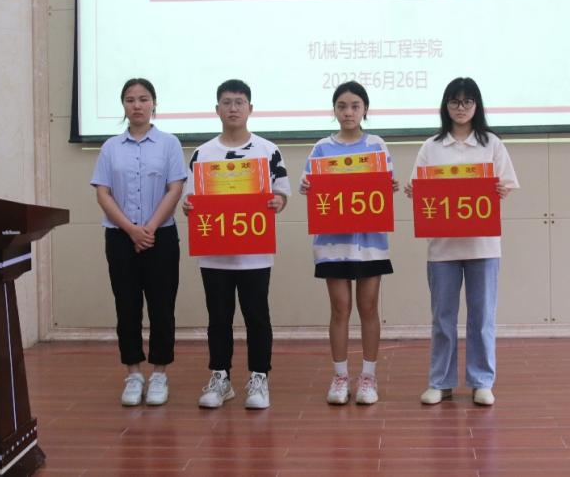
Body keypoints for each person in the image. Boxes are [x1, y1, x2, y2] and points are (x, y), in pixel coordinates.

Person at [405, 77, 519, 406]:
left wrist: (501, 190)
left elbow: (506, 184)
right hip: (442, 248)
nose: (461, 108)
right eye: (455, 101)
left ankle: (482, 381)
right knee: (443, 318)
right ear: (446, 106)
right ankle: (440, 381)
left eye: (467, 101)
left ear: (476, 106)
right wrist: (415, 191)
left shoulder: (491, 144)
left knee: (482, 317)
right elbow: (417, 188)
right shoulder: (431, 146)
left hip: (483, 246)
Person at [182, 79, 290, 410]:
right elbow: (190, 197)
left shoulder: (268, 150)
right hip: (214, 255)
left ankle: (259, 377)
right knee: (218, 317)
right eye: (227, 102)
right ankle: (221, 378)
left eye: (239, 102)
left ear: (250, 108)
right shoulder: (203, 153)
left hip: (255, 254)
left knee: (257, 316)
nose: (233, 108)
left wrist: (278, 201)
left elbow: (282, 194)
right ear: (217, 109)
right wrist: (188, 206)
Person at [299, 81, 398, 405]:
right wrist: (308, 187)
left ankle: (368, 376)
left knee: (368, 307)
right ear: (334, 110)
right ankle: (340, 376)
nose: (348, 112)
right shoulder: (321, 148)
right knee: (340, 309)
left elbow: (385, 185)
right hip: (333, 245)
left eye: (355, 106)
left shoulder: (377, 145)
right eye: (342, 106)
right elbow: (307, 185)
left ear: (365, 109)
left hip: (370, 243)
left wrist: (389, 186)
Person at [91, 78, 187, 406]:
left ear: (154, 103)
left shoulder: (169, 143)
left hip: (161, 236)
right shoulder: (110, 147)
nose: (137, 105)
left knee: (162, 306)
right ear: (123, 105)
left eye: (143, 99)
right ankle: (133, 373)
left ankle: (159, 373)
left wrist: (149, 228)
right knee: (127, 306)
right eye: (130, 99)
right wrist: (131, 230)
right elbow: (103, 193)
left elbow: (175, 188)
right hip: (121, 238)